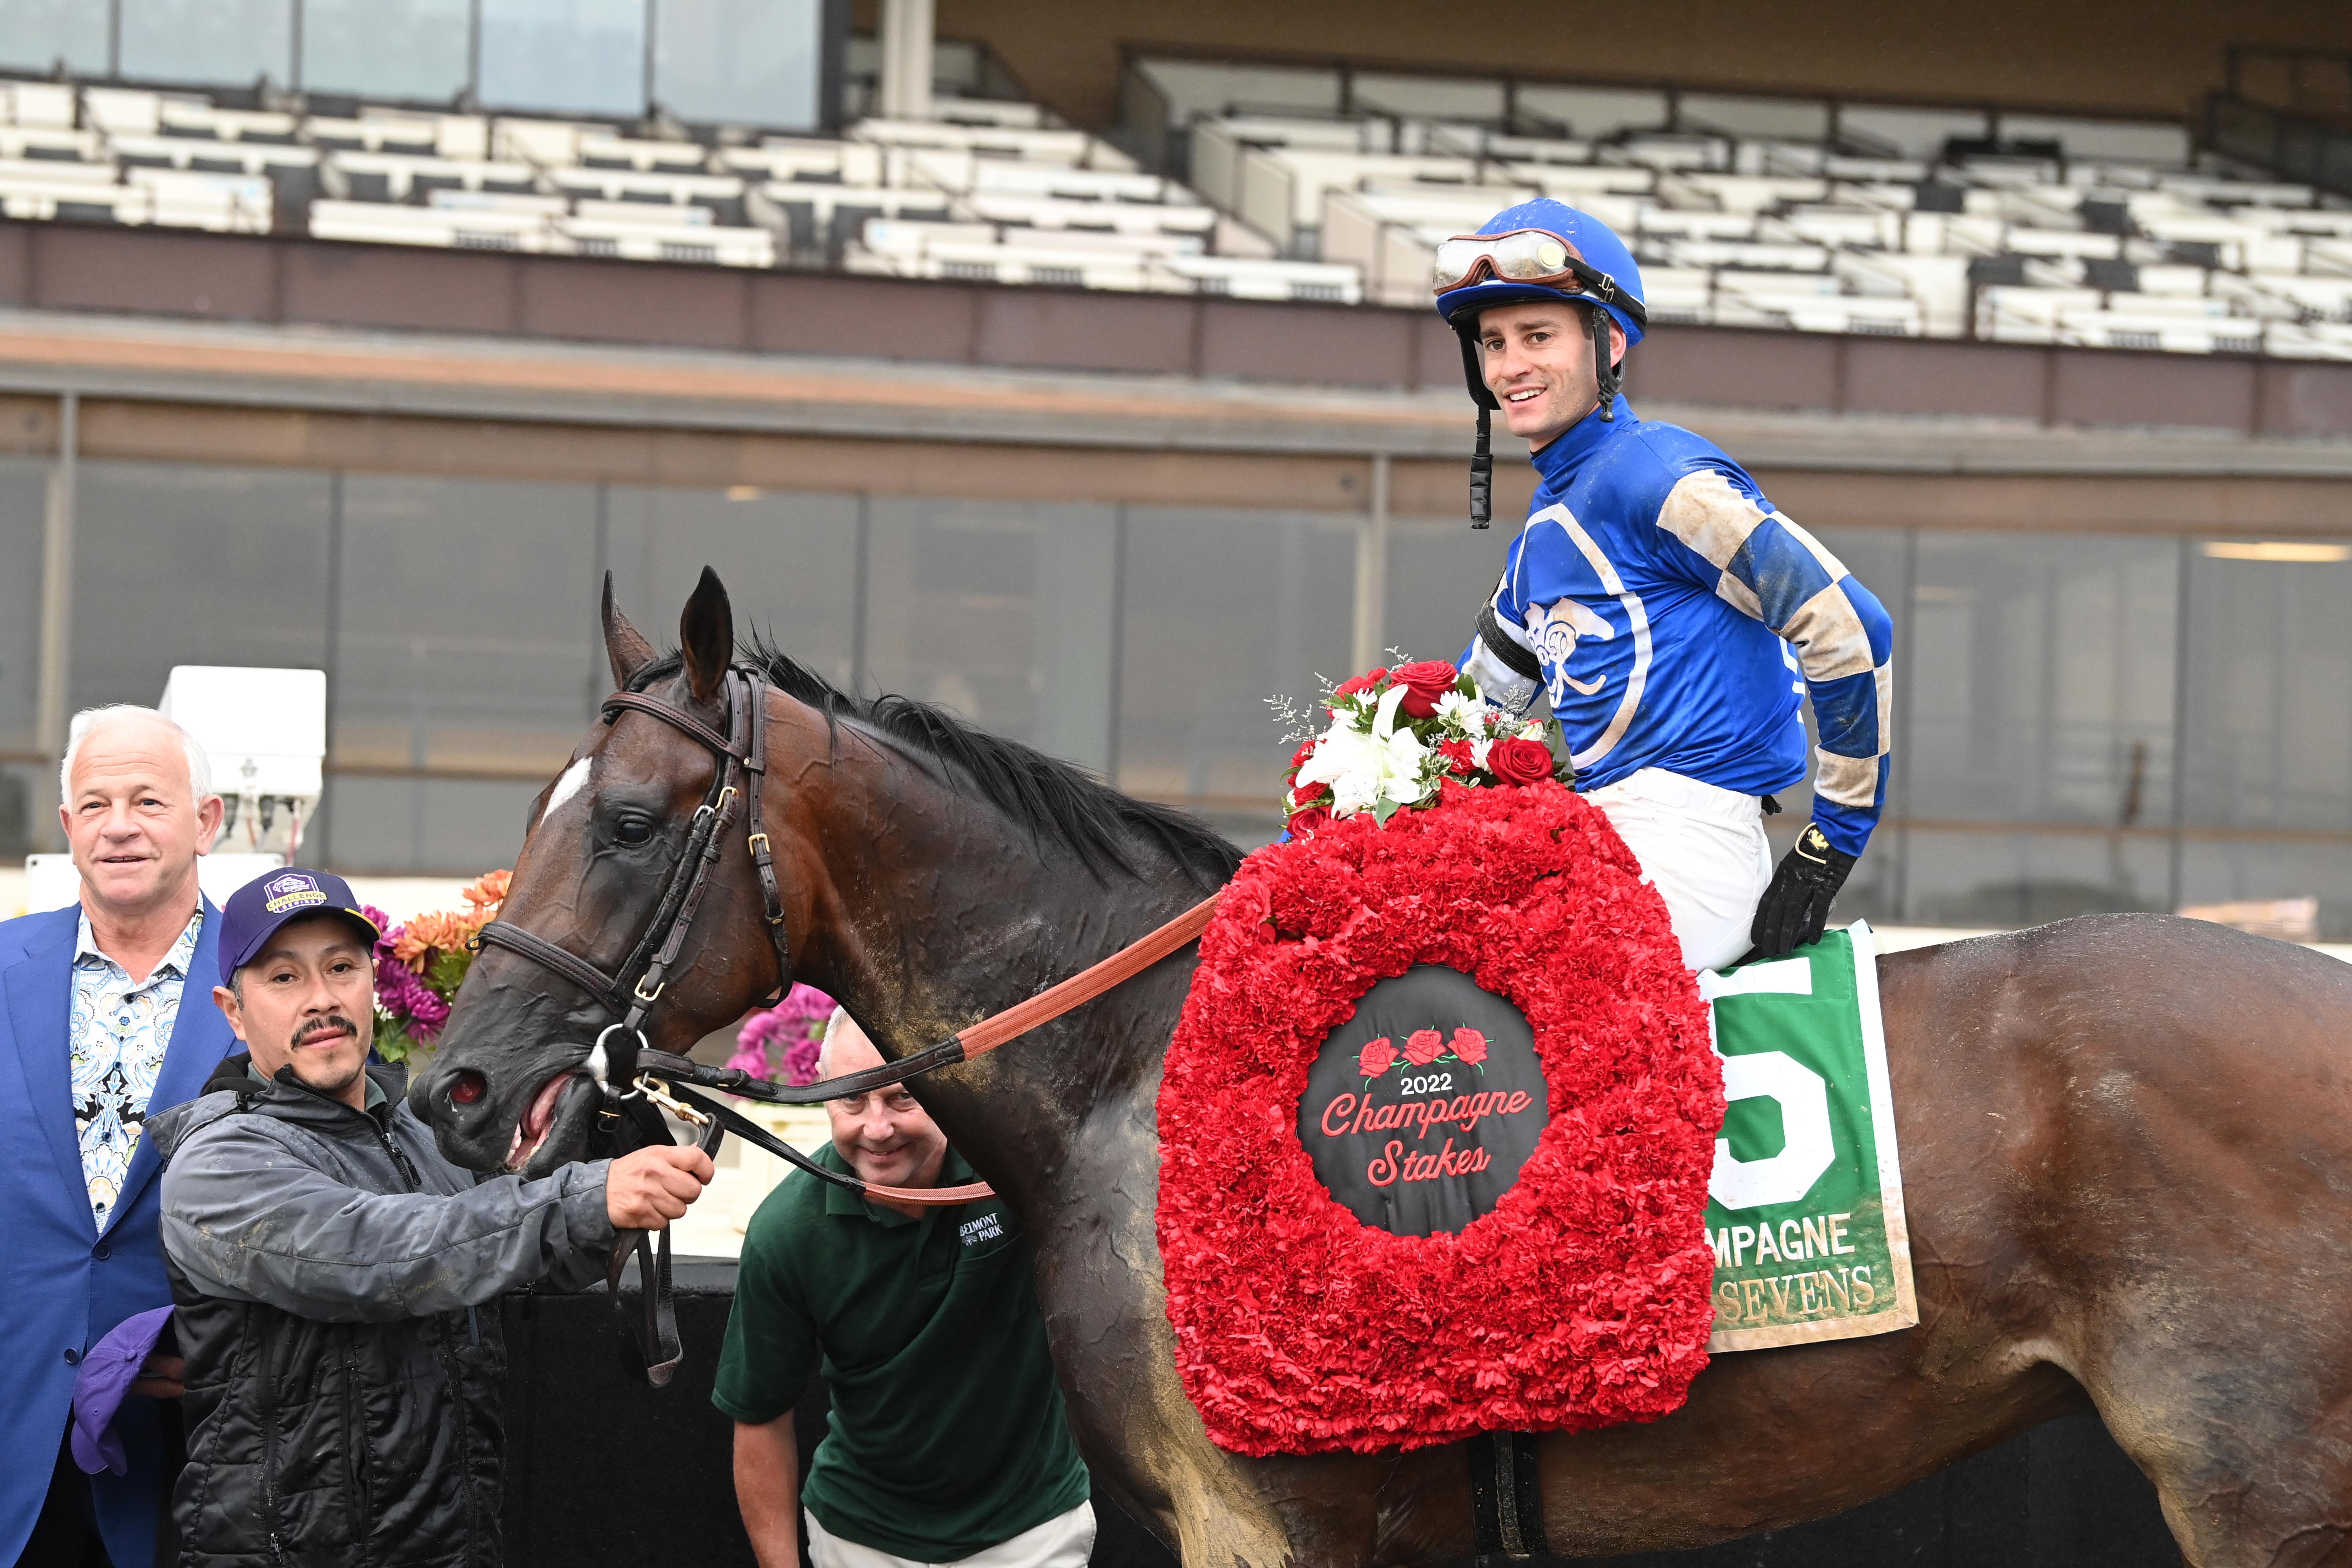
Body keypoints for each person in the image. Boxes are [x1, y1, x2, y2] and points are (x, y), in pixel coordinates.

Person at [148, 866, 716, 1568]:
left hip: (454, 1541)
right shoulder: (218, 1161)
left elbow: (538, 1263)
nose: (322, 999)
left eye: (341, 967)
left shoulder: (428, 1130)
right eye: (284, 978)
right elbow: (378, 1257)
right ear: (233, 1011)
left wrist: (617, 1119)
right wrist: (582, 1197)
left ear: (373, 983)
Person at [1442, 197, 1896, 970]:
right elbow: (1464, 720)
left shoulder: (1656, 476)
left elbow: (1850, 621)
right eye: (1493, 343)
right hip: (1600, 840)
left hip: (1691, 854)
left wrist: (1835, 836)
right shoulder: (1542, 536)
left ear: (1609, 342)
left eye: (1538, 336)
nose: (1510, 365)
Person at [718, 1009, 1093, 1568]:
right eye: (852, 1099)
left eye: (902, 1098)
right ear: (823, 1097)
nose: (876, 1127)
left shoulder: (1020, 1174)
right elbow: (759, 1418)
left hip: (1033, 1530)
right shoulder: (786, 1234)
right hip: (861, 1540)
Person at [0, 706, 237, 1568]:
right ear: (68, 828)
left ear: (207, 820)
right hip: (13, 1426)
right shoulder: (2, 967)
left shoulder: (275, 988)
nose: (121, 825)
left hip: (193, 1444)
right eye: (96, 804)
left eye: (149, 799)